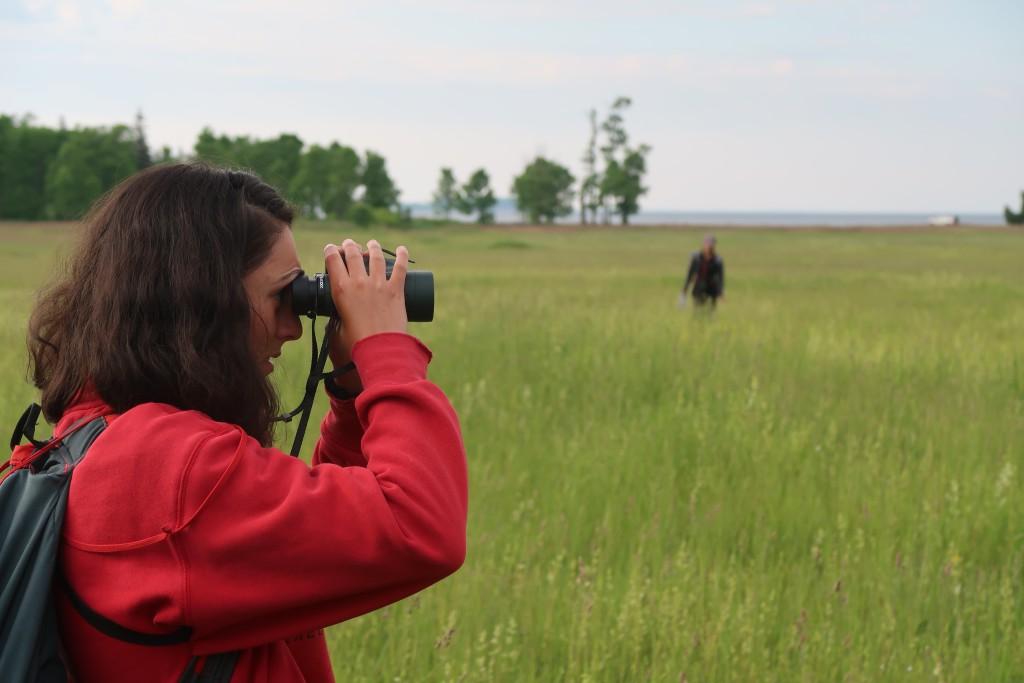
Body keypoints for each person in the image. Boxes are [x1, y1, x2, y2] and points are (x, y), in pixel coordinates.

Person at [25, 163, 467, 682]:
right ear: (203, 303)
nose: (294, 328)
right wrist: (385, 348)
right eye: (283, 296)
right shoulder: (172, 471)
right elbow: (419, 526)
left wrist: (350, 390)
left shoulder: (98, 440)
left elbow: (331, 521)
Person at [680, 234, 725, 308]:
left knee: (710, 315)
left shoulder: (718, 260)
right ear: (703, 244)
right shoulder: (696, 258)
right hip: (698, 289)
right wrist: (684, 291)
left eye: (711, 243)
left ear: (714, 245)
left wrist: (721, 293)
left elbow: (720, 278)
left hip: (712, 290)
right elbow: (690, 275)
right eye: (707, 243)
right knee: (698, 314)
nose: (709, 246)